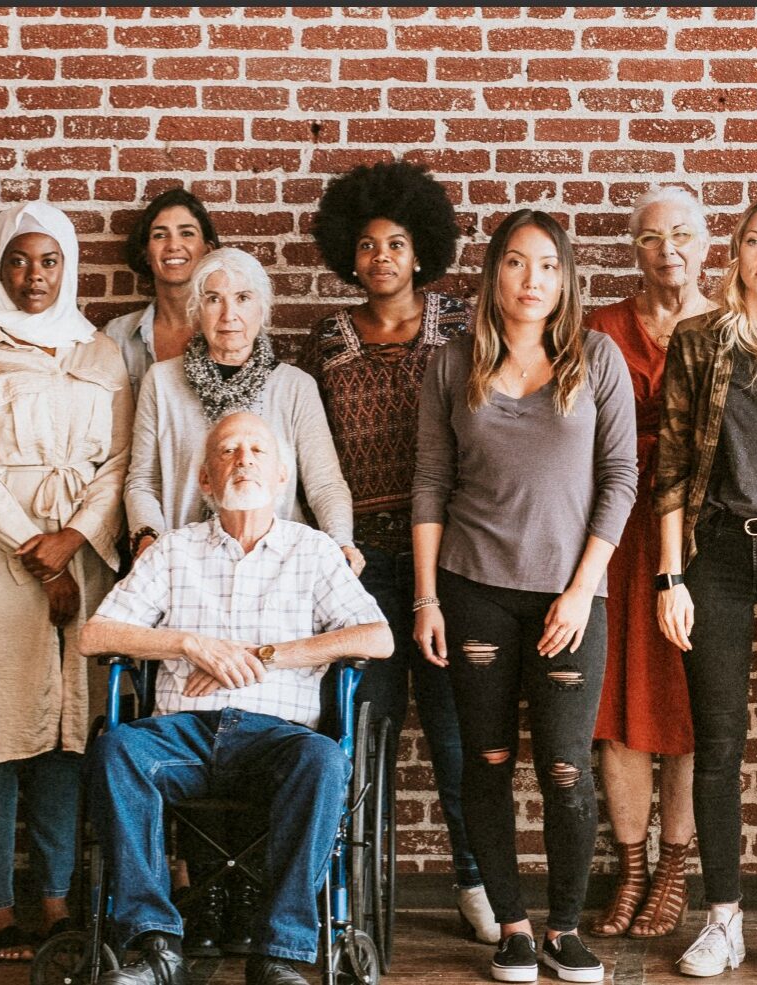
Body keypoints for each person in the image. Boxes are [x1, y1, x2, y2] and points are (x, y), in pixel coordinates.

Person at [81, 411, 392, 985]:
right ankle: (155, 948)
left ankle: (280, 953)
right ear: (205, 481)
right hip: (183, 737)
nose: (242, 459)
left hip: (277, 741)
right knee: (116, 750)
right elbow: (94, 635)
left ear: (281, 477)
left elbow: (377, 636)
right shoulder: (173, 551)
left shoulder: (315, 551)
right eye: (227, 451)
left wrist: (260, 655)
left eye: (256, 451)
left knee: (325, 761)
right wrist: (190, 644)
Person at [412, 209, 637, 984]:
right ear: (493, 273)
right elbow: (431, 485)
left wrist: (580, 591)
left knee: (568, 770)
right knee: (489, 759)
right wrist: (425, 599)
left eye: (546, 264)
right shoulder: (451, 362)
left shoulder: (597, 358)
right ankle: (512, 927)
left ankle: (564, 929)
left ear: (567, 277)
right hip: (471, 592)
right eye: (515, 262)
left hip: (569, 601)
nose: (531, 279)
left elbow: (621, 479)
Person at [299, 160, 495, 943]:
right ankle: (346, 884)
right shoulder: (328, 339)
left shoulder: (460, 324)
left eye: (397, 244)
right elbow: (310, 454)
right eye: (369, 245)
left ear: (423, 253)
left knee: (453, 732)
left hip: (445, 559)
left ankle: (476, 882)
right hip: (356, 565)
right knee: (358, 728)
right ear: (351, 254)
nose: (382, 257)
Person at [0, 201, 131, 961]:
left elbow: (116, 461)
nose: (32, 275)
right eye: (17, 259)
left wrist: (75, 538)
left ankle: (54, 898)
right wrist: (31, 544)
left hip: (83, 547)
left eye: (48, 261)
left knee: (64, 730)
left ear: (68, 264)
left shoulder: (99, 351)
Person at [655, 194, 757, 978]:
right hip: (717, 558)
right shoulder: (702, 341)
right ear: (734, 252)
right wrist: (672, 575)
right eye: (754, 241)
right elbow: (671, 467)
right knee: (719, 741)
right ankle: (725, 920)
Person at [586, 185, 714, 942]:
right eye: (650, 237)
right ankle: (631, 866)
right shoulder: (602, 327)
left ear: (707, 243)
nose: (668, 248)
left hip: (700, 541)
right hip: (614, 536)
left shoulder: (730, 326)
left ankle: (675, 867)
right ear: (633, 249)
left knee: (690, 710)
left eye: (683, 234)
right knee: (616, 712)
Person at [125, 247, 357, 573]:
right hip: (181, 564)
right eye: (213, 299)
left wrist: (340, 541)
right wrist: (148, 539)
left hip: (278, 564)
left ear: (262, 310)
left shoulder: (294, 387)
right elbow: (143, 482)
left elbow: (325, 484)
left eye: (243, 298)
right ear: (196, 309)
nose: (228, 314)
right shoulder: (161, 382)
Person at [104, 187, 220, 396]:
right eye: (160, 235)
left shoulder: (232, 328)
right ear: (146, 253)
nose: (173, 245)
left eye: (186, 233)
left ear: (207, 250)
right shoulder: (116, 336)